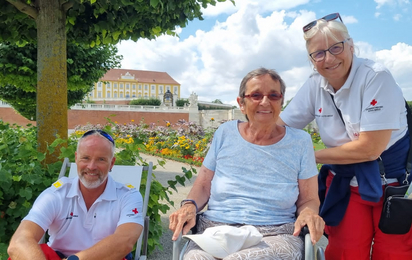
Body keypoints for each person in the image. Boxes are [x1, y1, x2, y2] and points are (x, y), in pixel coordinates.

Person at [278, 12, 412, 260]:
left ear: (351, 46)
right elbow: (280, 128)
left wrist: (306, 156)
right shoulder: (314, 84)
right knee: (344, 252)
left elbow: (369, 149)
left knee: (393, 253)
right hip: (347, 183)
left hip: (394, 184)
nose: (328, 58)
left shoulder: (375, 76)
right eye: (318, 53)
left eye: (336, 48)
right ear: (311, 60)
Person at [169, 68, 325, 260]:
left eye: (273, 95)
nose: (265, 102)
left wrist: (309, 213)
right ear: (241, 103)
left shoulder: (300, 141)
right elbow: (203, 184)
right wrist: (190, 205)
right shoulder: (225, 133)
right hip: (217, 230)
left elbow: (309, 198)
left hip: (277, 234)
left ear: (281, 101)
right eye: (256, 95)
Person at [7, 130, 144, 260]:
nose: (91, 166)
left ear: (111, 163)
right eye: (86, 158)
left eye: (101, 159)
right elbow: (19, 241)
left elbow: (124, 241)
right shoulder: (55, 195)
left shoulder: (128, 196)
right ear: (77, 158)